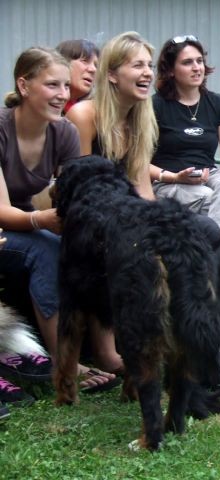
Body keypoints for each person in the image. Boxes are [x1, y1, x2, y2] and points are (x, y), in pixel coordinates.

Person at [0, 47, 119, 401]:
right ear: (24, 85)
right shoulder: (2, 129)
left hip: (27, 221)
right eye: (52, 85)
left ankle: (106, 351)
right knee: (47, 249)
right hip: (8, 225)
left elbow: (75, 192)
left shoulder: (63, 132)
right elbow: (2, 209)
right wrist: (46, 221)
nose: (63, 95)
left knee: (91, 246)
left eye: (66, 86)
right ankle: (62, 362)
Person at [150, 35, 220, 228]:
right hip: (169, 181)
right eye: (187, 63)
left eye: (199, 61)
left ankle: (218, 247)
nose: (197, 67)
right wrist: (173, 177)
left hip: (209, 175)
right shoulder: (154, 105)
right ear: (170, 71)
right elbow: (139, 163)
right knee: (211, 198)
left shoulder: (218, 103)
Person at [67, 31, 158, 200]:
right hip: (90, 212)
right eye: (138, 65)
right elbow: (79, 192)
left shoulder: (140, 122)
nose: (148, 73)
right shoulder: (83, 116)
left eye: (150, 66)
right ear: (111, 75)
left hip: (126, 212)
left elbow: (145, 193)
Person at [55, 39, 99, 114]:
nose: (93, 70)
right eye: (85, 61)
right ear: (64, 63)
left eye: (96, 65)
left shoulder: (93, 111)